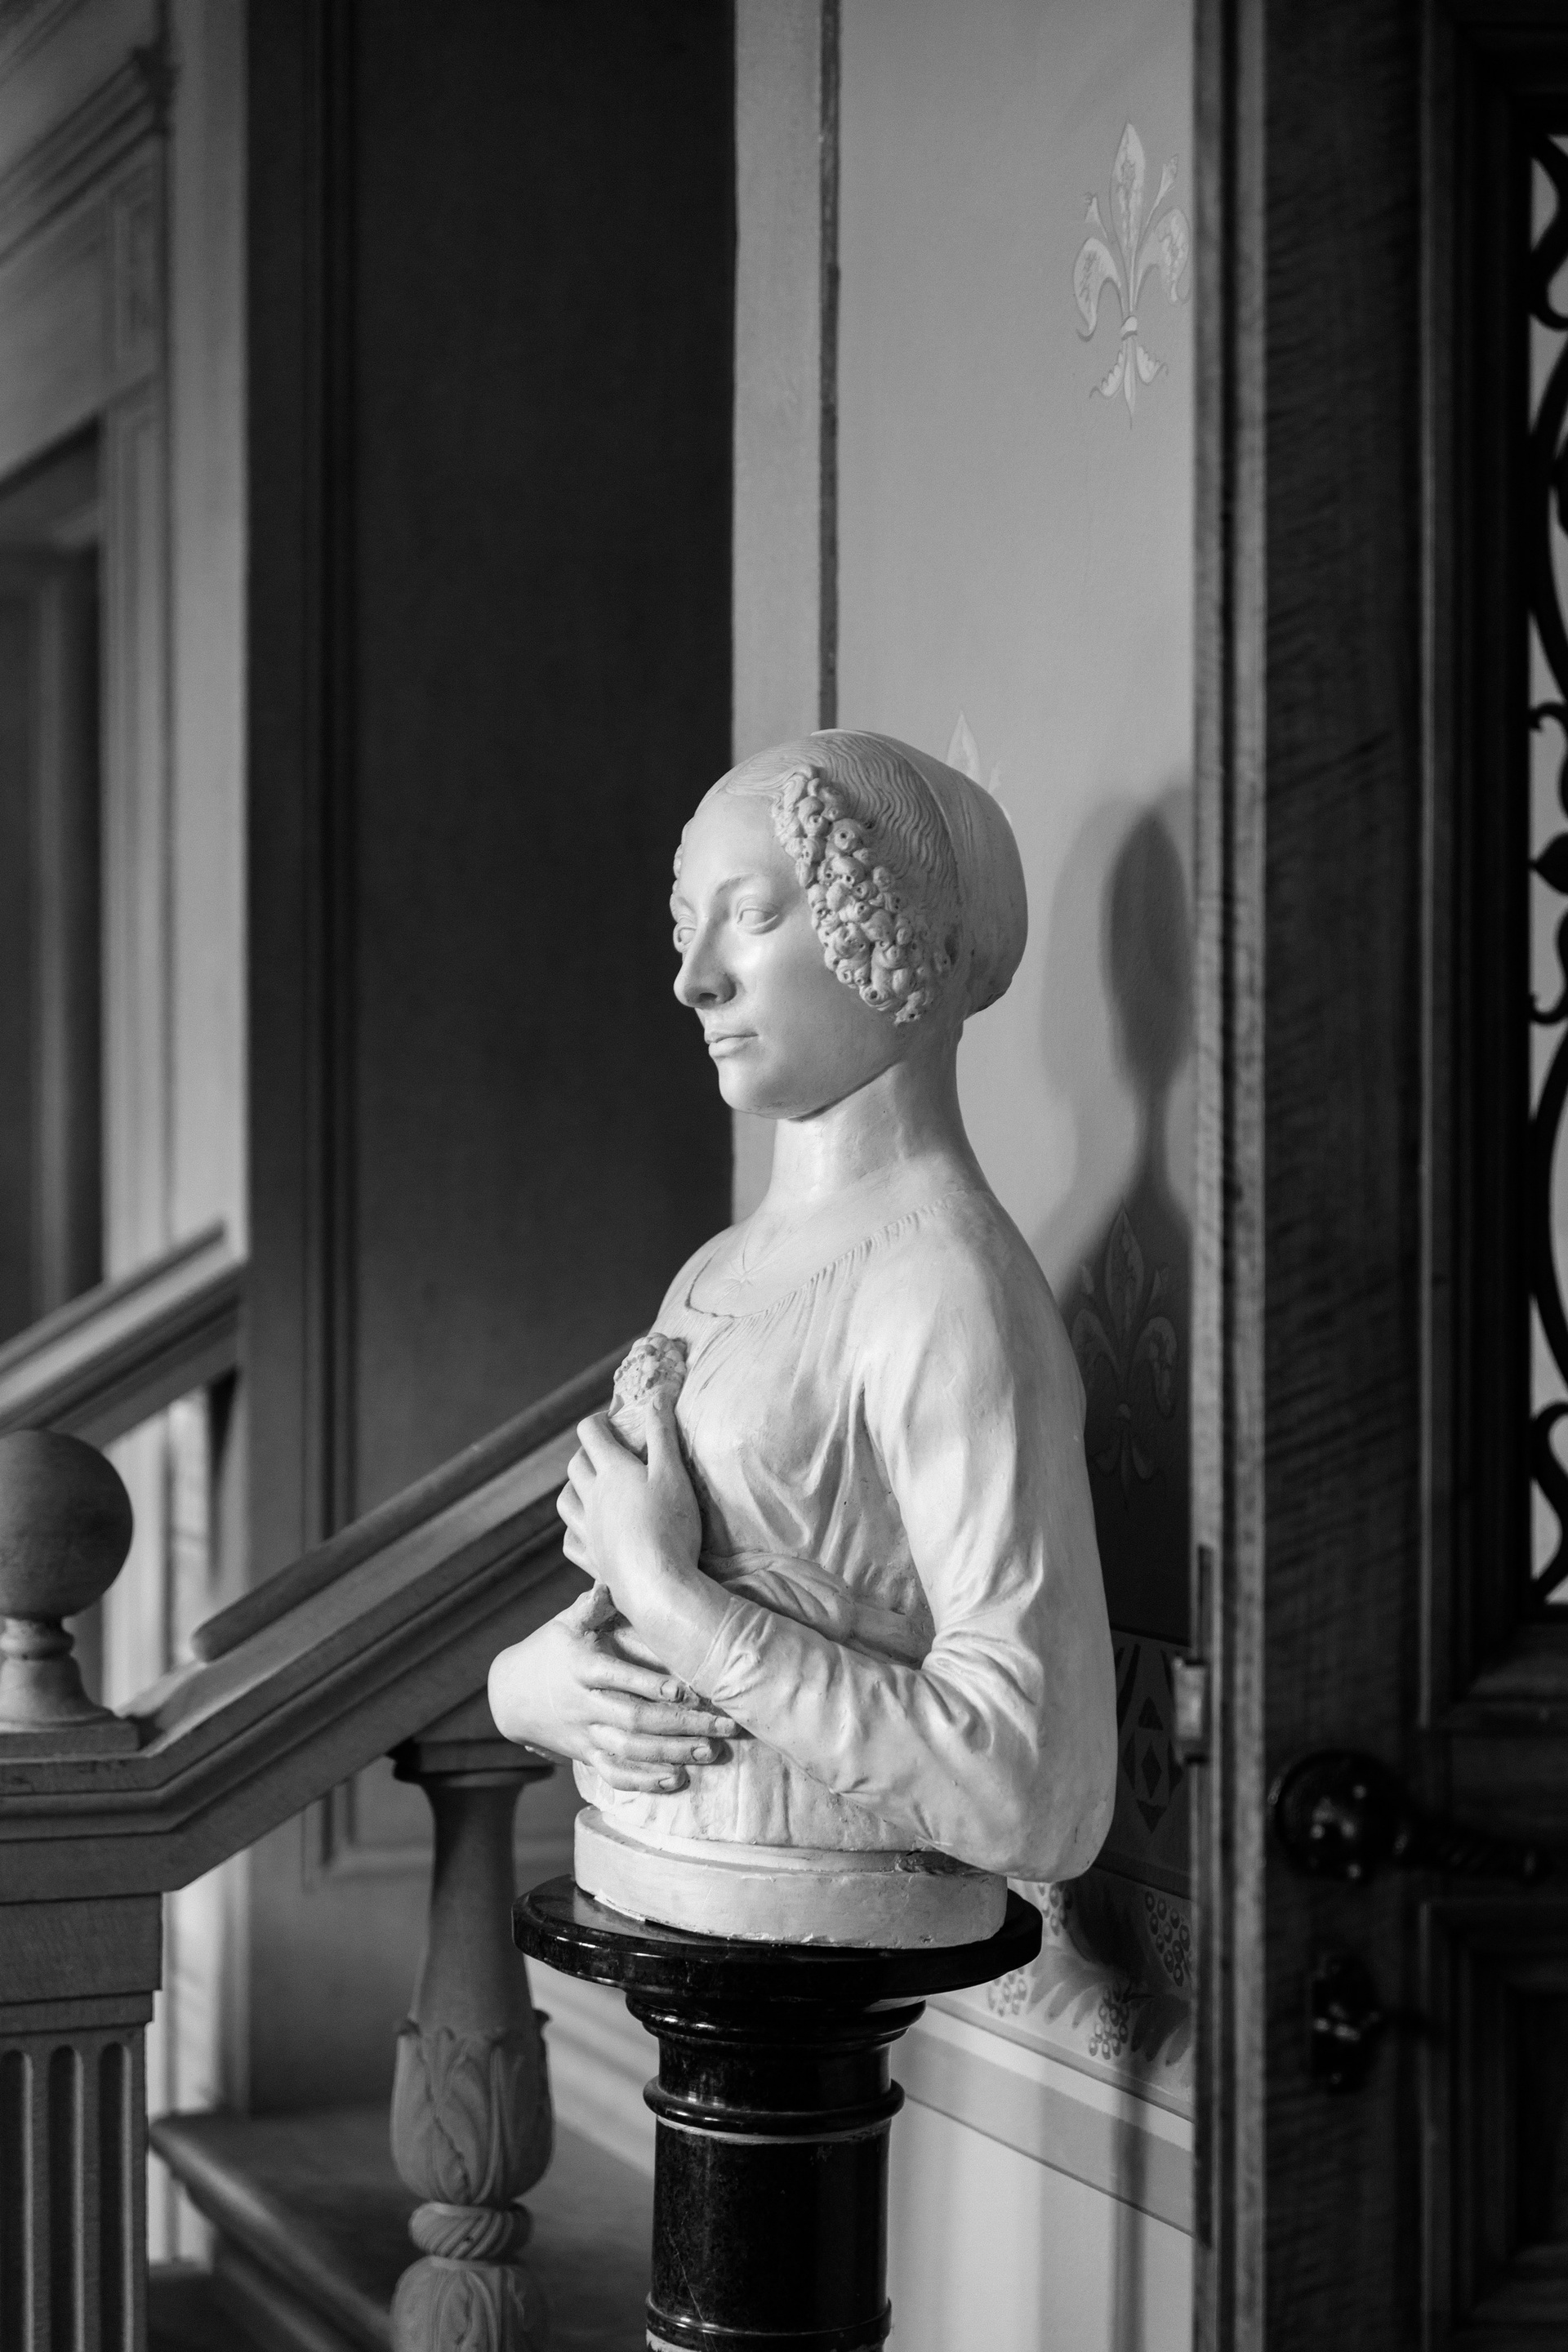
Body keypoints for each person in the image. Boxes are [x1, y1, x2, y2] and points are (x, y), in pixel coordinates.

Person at [488, 732, 1115, 1911]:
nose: (696, 980)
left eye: (752, 917)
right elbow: (615, 1618)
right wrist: (526, 1687)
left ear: (893, 932)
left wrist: (668, 1596)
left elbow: (1040, 1789)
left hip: (817, 1924)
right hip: (663, 1892)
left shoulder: (946, 1285)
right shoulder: (716, 1272)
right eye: (689, 929)